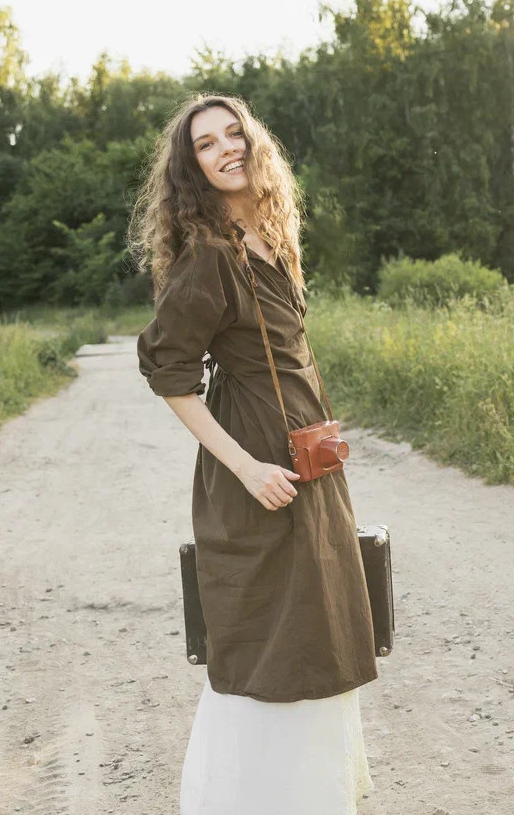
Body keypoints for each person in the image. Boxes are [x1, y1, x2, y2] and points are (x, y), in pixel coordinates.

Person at [129, 93, 379, 814]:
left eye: (233, 132)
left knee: (321, 625)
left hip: (309, 463)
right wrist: (244, 466)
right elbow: (167, 372)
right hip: (258, 472)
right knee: (270, 641)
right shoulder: (210, 257)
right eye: (206, 144)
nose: (226, 148)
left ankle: (316, 796)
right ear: (193, 169)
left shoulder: (269, 233)